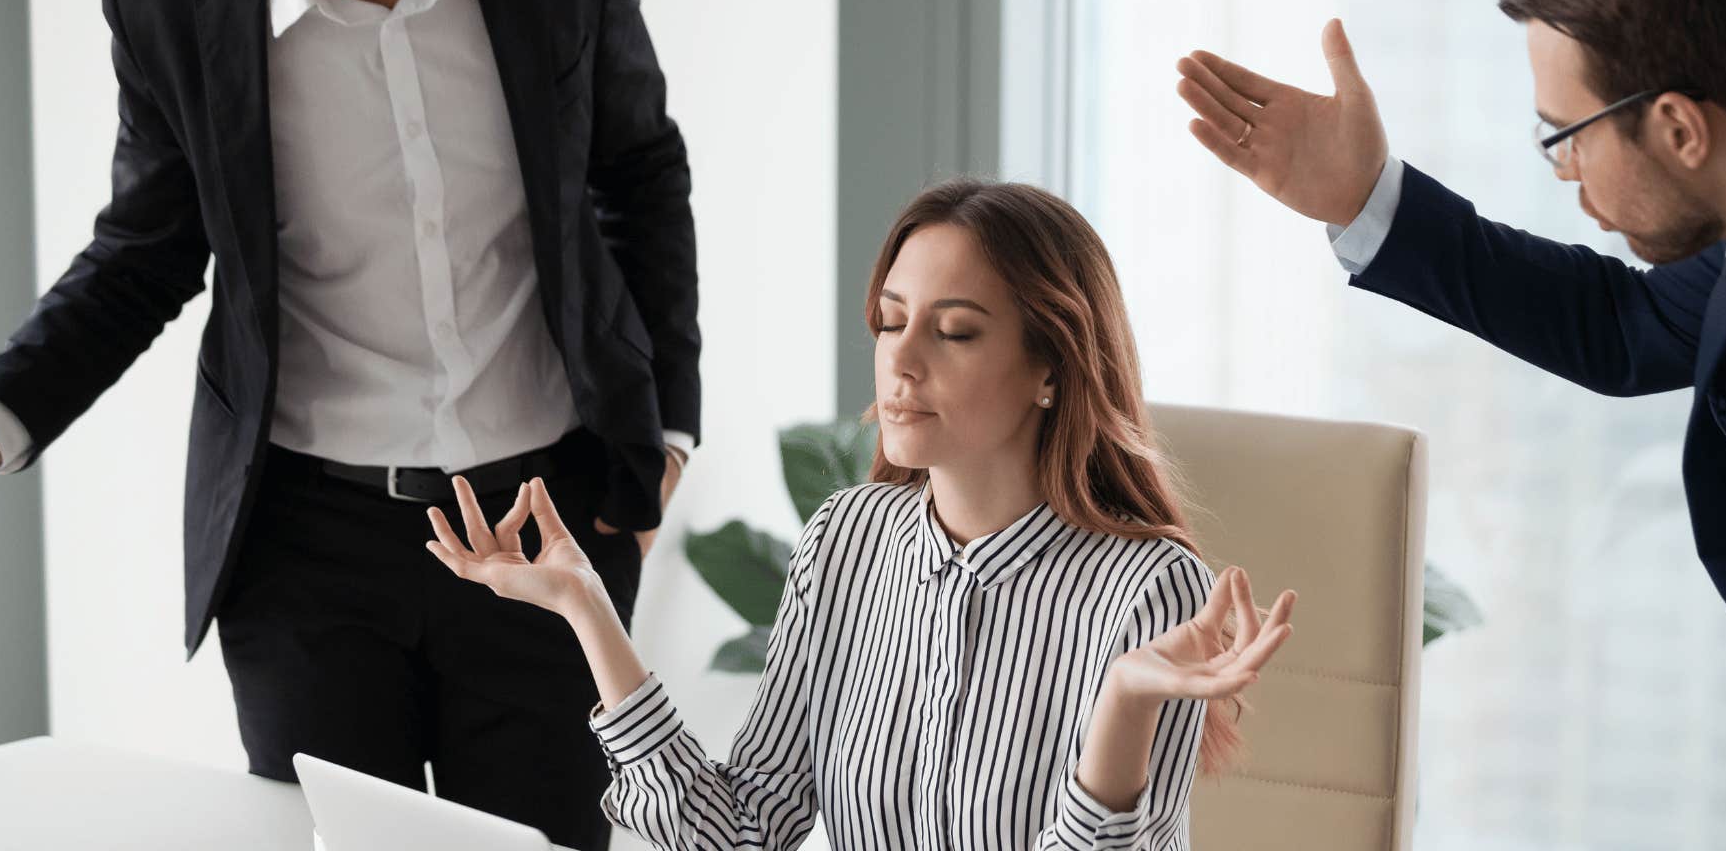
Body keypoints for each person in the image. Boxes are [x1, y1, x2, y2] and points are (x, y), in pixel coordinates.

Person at [0, 0, 699, 846]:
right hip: (304, 549)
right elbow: (144, 253)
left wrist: (669, 424)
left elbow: (638, 172)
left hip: (544, 521)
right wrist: (0, 417)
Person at [1175, 0, 1726, 848]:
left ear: (1682, 129)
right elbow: (1624, 323)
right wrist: (1362, 197)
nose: (1565, 176)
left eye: (1564, 138)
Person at [427, 179, 1297, 849]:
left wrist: (1122, 707)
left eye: (954, 332)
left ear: (1052, 368)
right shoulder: (850, 538)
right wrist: (588, 605)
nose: (902, 361)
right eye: (889, 322)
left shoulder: (1146, 591)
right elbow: (739, 831)